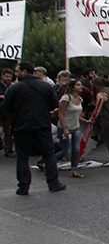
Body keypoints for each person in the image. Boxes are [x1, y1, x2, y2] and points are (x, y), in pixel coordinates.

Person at [4, 61, 65, 194]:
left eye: (17, 71)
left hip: (21, 126)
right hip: (42, 125)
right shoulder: (45, 86)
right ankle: (53, 183)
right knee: (48, 154)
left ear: (24, 71)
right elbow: (53, 104)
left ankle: (24, 186)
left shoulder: (14, 88)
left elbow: (6, 107)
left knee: (22, 157)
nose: (16, 74)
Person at [58, 79, 87, 178]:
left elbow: (76, 115)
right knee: (65, 151)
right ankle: (48, 162)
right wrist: (65, 127)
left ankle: (74, 170)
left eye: (81, 85)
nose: (81, 86)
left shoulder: (79, 99)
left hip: (75, 127)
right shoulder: (66, 98)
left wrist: (85, 121)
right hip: (65, 127)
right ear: (72, 87)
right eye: (78, 85)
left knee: (76, 150)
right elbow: (60, 114)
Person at [91, 78, 109, 165]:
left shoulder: (100, 95)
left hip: (106, 118)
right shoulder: (107, 92)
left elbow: (97, 109)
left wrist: (92, 119)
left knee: (108, 138)